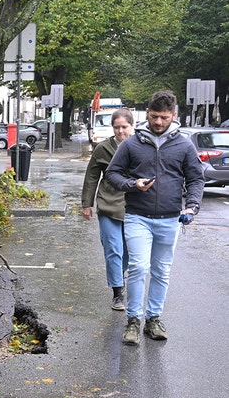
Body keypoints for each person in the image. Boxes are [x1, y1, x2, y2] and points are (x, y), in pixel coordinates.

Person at [105, 90, 204, 346]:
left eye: (164, 117)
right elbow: (112, 174)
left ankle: (153, 319)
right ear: (147, 113)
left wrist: (191, 207)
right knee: (139, 267)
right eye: (154, 116)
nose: (159, 122)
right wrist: (132, 184)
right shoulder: (131, 144)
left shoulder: (183, 145)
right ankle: (133, 321)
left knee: (161, 271)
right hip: (138, 216)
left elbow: (195, 179)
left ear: (173, 115)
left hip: (171, 219)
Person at [81, 108, 134, 311]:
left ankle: (119, 276)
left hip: (133, 207)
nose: (120, 131)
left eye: (124, 127)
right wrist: (87, 204)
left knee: (128, 252)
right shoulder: (103, 148)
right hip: (108, 204)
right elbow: (92, 176)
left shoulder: (140, 146)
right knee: (114, 249)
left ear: (132, 126)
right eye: (117, 127)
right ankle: (117, 292)